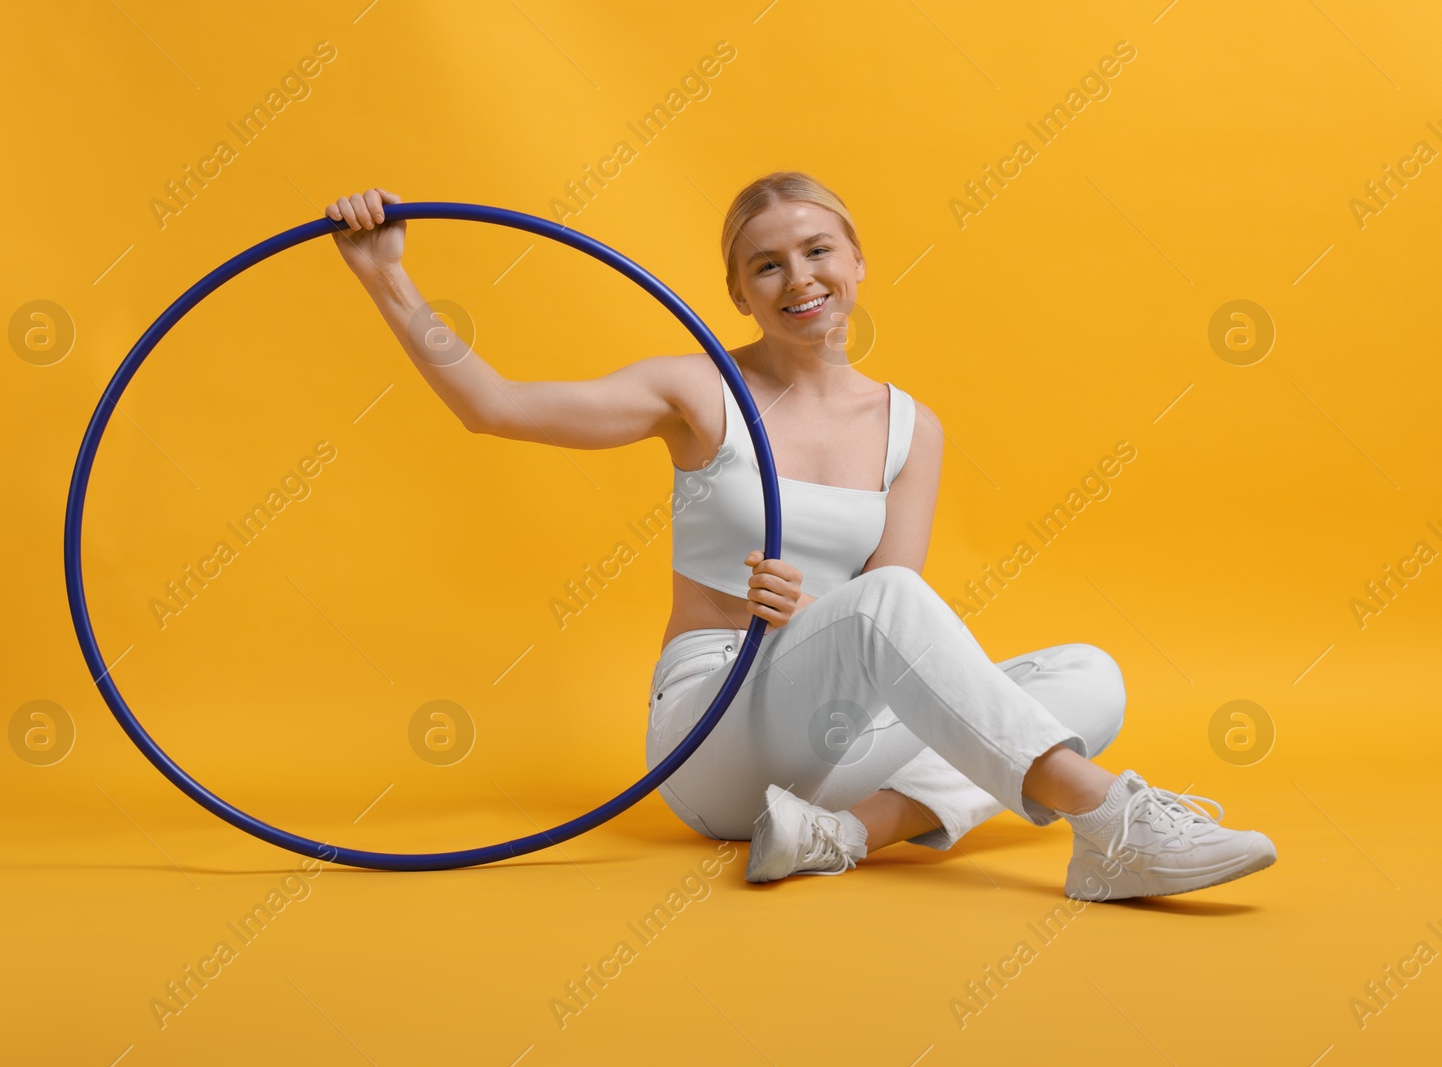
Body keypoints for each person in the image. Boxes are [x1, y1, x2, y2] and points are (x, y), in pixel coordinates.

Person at [323, 174, 1277, 900]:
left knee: (1091, 675)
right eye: (767, 265)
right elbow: (494, 406)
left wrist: (818, 612)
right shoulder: (697, 391)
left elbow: (896, 601)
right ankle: (1112, 818)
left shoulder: (912, 426)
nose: (800, 279)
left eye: (819, 252)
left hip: (831, 749)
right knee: (895, 615)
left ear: (858, 262)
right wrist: (387, 277)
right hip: (713, 731)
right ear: (738, 292)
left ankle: (837, 835)